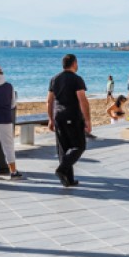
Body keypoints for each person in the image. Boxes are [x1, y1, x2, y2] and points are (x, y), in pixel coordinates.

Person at [48, 53, 92, 188]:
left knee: (64, 148)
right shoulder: (77, 79)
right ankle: (62, 169)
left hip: (58, 116)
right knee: (79, 146)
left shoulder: (55, 79)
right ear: (74, 63)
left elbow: (49, 101)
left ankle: (69, 180)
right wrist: (88, 120)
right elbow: (82, 100)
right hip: (72, 116)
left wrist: (50, 118)